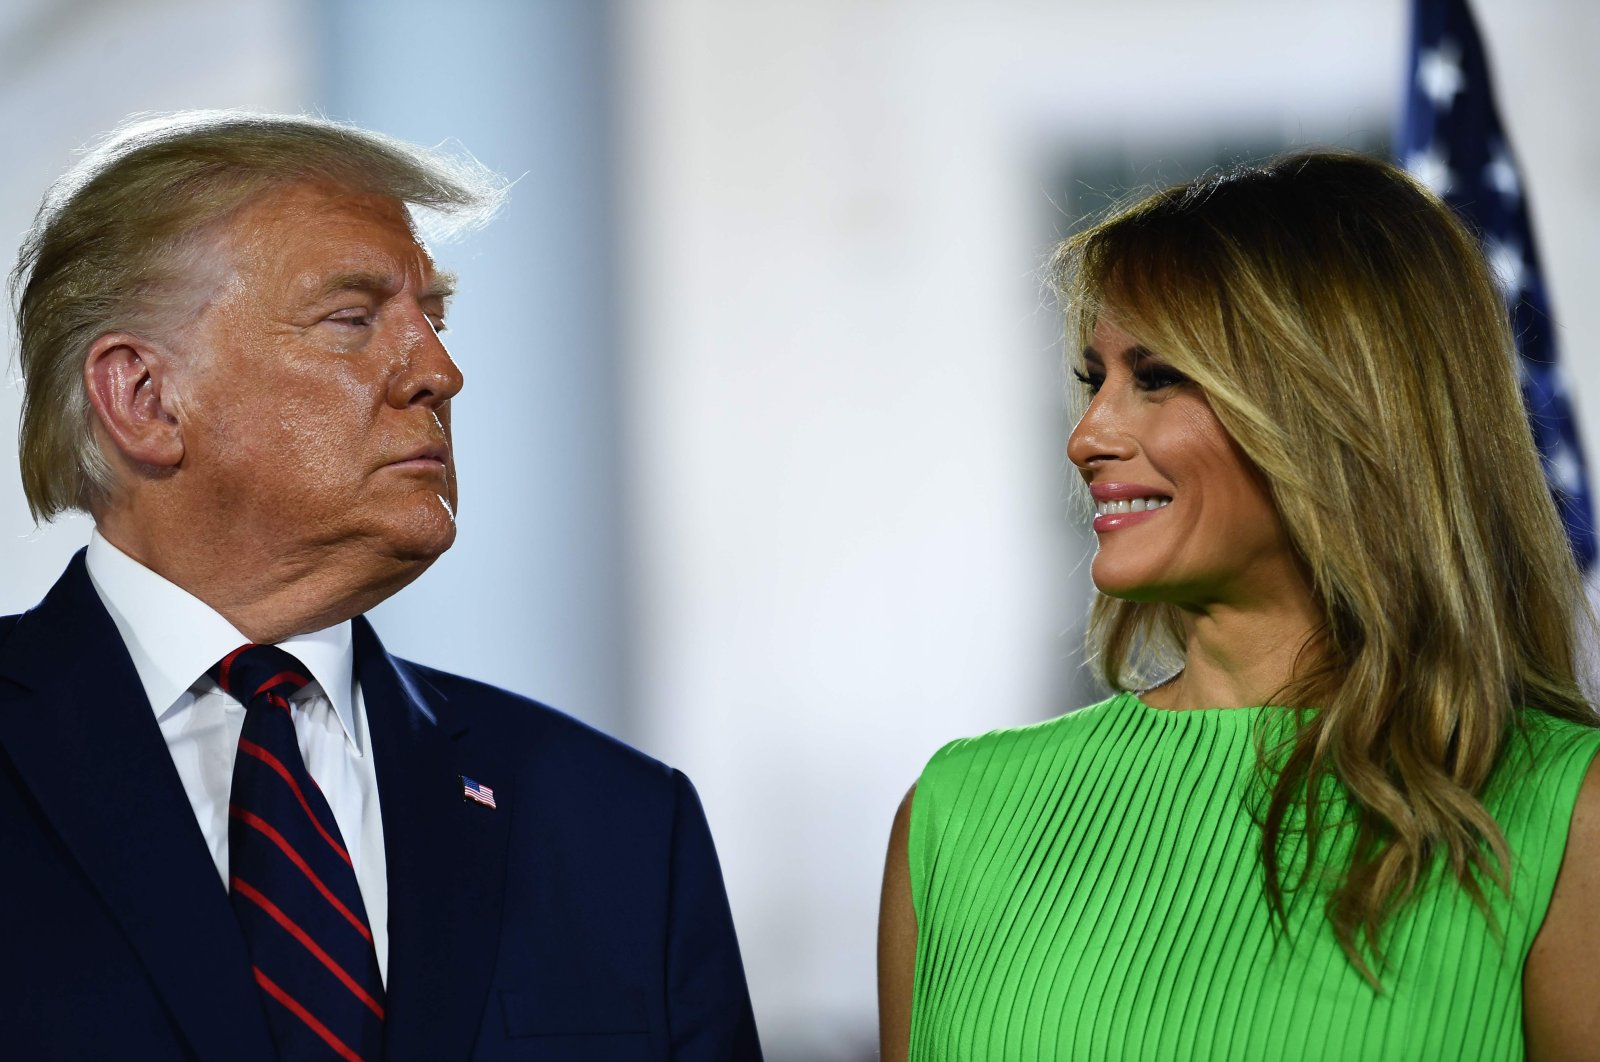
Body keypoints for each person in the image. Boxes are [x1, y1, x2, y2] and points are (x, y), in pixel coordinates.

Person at [0, 112, 761, 1061]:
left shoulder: (619, 824)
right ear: (146, 398)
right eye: (353, 318)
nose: (441, 373)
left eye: (432, 319)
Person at [877, 151, 1600, 1060]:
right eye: (1090, 378)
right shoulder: (957, 814)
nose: (1089, 435)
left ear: (1341, 411)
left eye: (1158, 377)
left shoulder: (1566, 815)